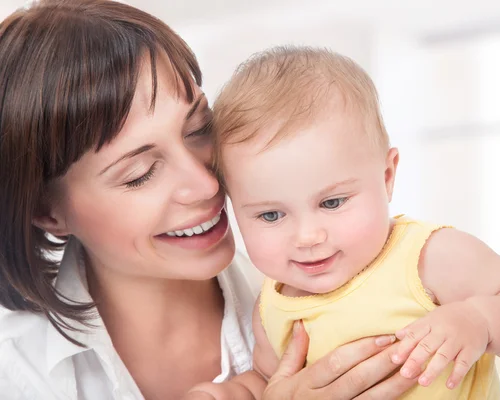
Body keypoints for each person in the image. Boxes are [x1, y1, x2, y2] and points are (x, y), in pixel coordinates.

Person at [0, 2, 423, 399]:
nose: (205, 184)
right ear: (47, 212)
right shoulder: (16, 372)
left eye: (199, 129)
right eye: (139, 174)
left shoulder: (327, 284)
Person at [207, 46, 500, 399]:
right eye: (271, 215)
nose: (308, 236)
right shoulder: (272, 304)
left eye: (332, 202)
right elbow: (270, 382)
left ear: (387, 176)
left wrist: (481, 319)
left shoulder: (427, 258)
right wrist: (235, 392)